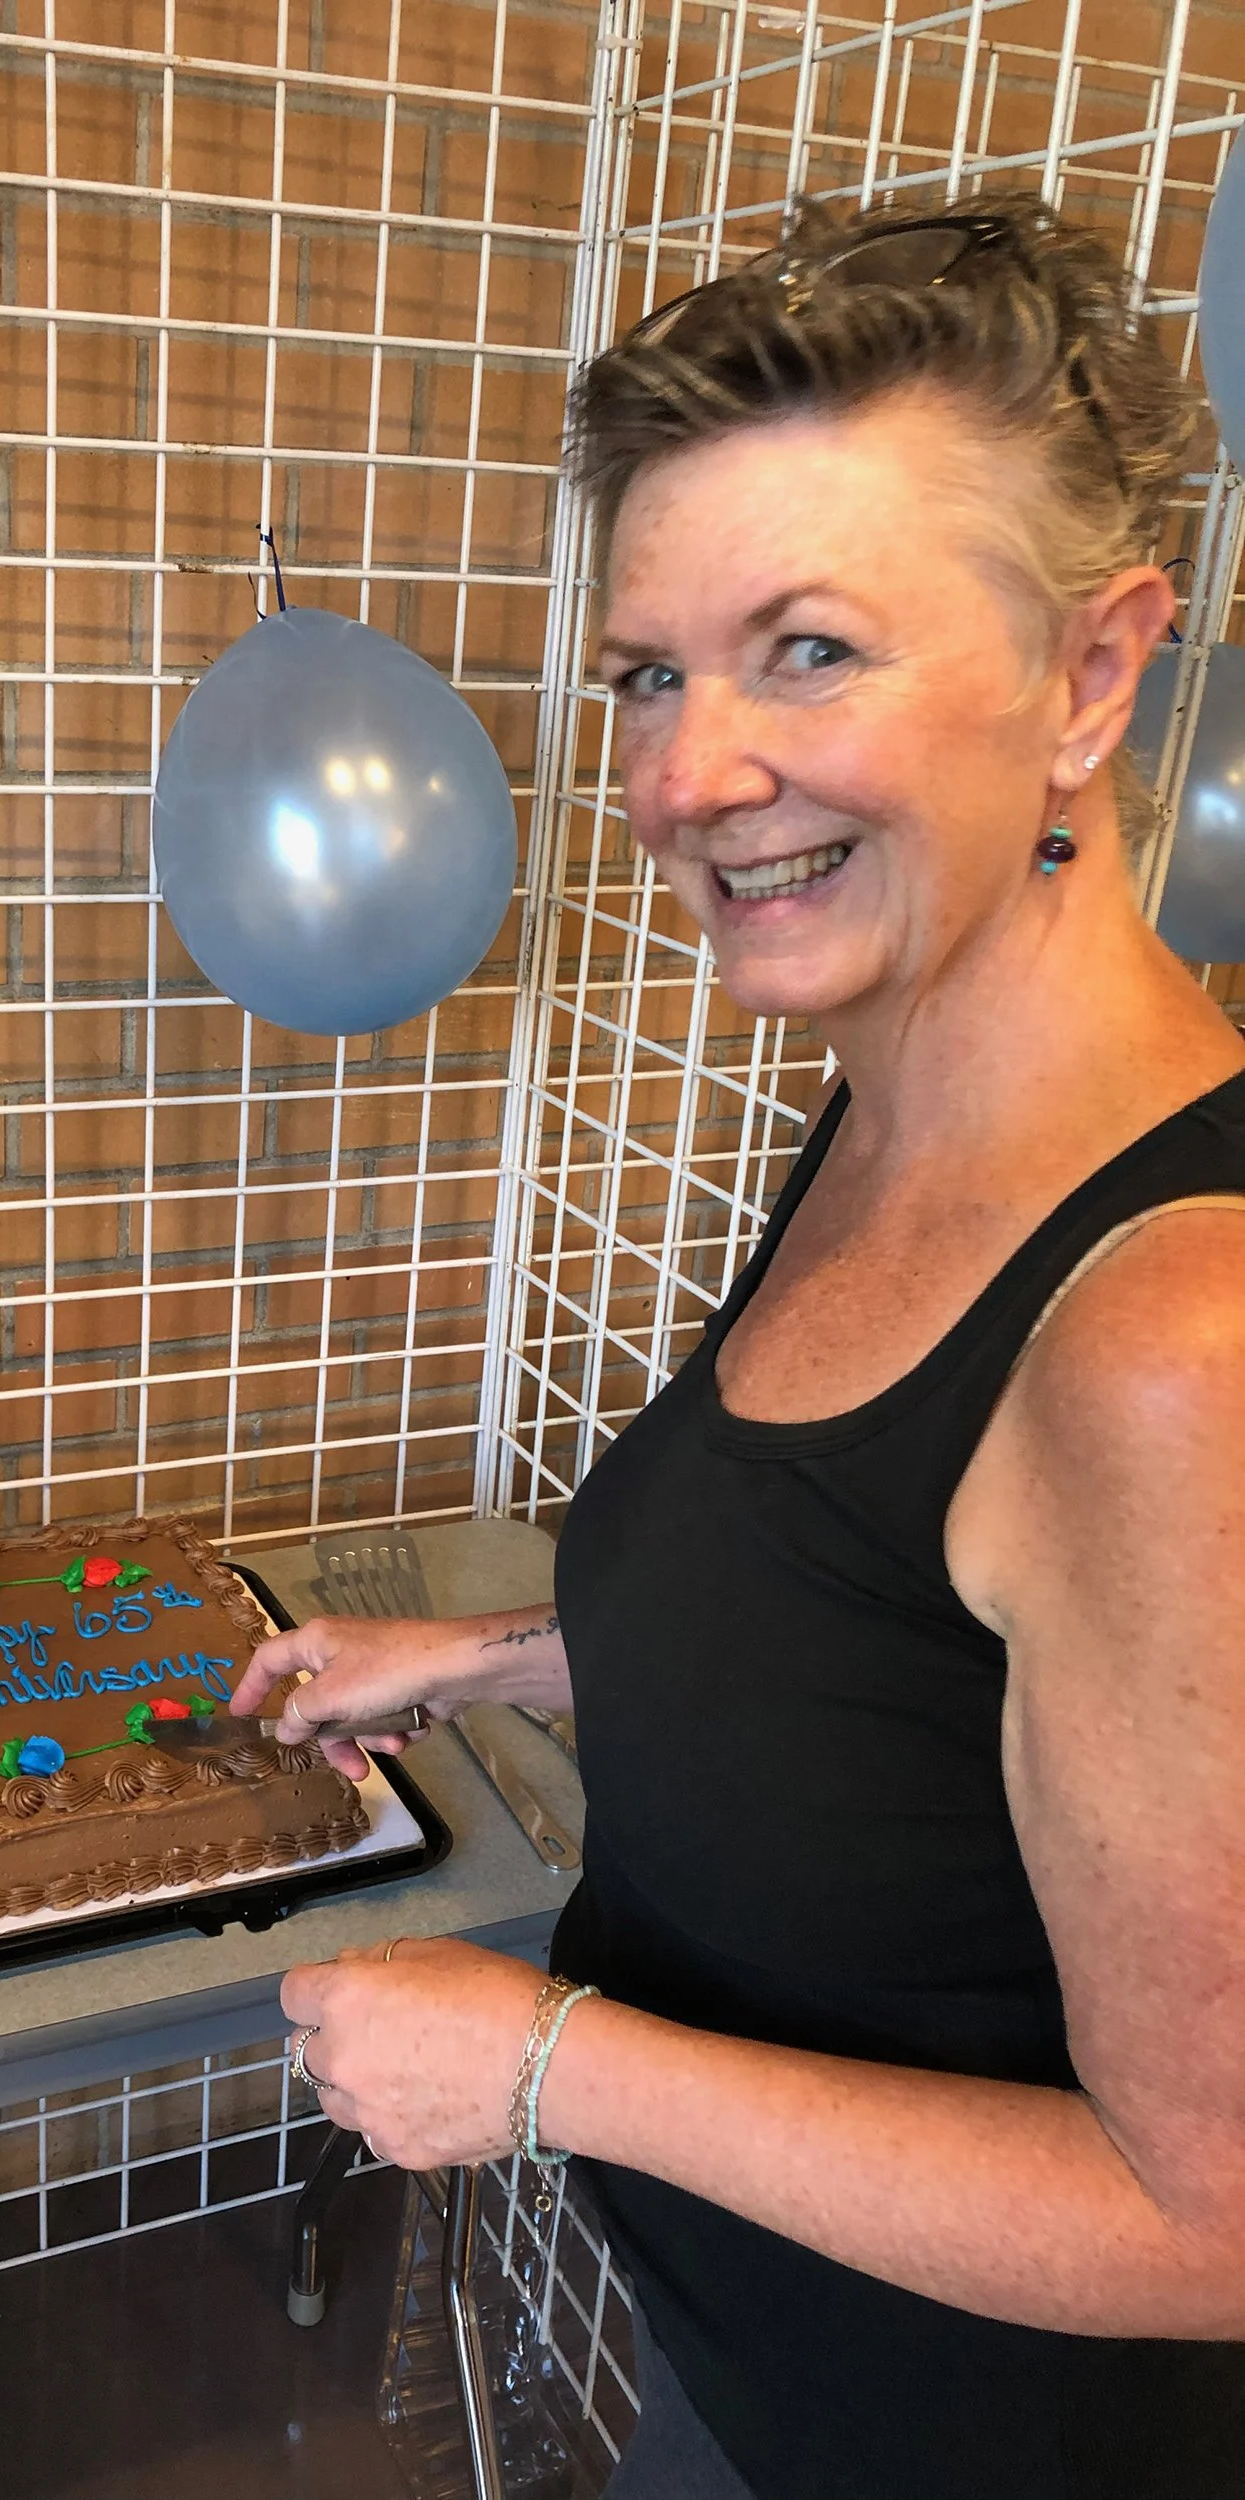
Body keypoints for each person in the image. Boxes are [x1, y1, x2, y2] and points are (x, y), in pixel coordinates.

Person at [229, 189, 1245, 2499]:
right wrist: (490, 1655)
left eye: (807, 649)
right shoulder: (886, 1097)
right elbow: (902, 1684)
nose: (687, 781)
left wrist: (549, 2065)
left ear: (1092, 675)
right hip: (750, 2364)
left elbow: (1213, 2213)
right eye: (649, 673)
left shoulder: (1175, 1333)